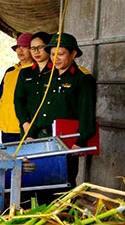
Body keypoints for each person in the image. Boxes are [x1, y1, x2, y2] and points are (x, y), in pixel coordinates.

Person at [41, 33, 96, 194]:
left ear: (73, 54)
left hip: (67, 141)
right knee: (42, 182)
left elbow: (87, 113)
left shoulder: (82, 79)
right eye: (52, 54)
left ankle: (64, 217)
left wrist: (81, 140)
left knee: (63, 183)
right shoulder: (48, 76)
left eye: (61, 53)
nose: (55, 58)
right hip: (44, 139)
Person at [0, 33, 34, 143]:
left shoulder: (36, 72)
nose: (20, 50)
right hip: (6, 129)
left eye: (24, 47)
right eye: (18, 47)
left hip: (24, 128)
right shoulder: (10, 71)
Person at [14, 32, 54, 142]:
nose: (36, 51)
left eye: (40, 47)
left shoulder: (56, 72)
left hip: (48, 130)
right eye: (32, 48)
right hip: (27, 127)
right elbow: (18, 100)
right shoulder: (25, 73)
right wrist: (24, 122)